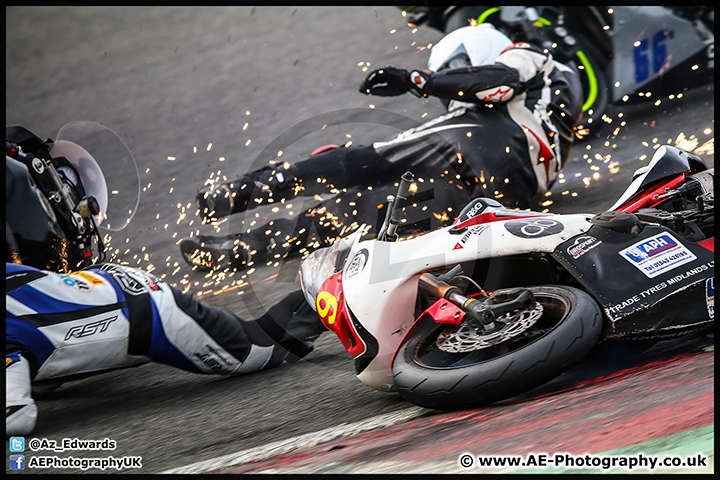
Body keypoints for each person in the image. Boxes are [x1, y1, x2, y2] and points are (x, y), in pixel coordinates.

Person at [5, 127, 326, 437]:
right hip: (73, 300)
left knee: (257, 344)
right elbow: (16, 412)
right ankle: (337, 284)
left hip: (123, 310)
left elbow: (18, 411)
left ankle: (338, 286)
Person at [180, 24, 583, 271]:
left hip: (485, 143)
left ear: (479, 49)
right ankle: (243, 250)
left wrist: (418, 79)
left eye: (457, 66)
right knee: (363, 214)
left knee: (357, 160)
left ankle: (235, 193)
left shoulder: (532, 60)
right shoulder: (557, 98)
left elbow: (498, 81)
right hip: (497, 197)